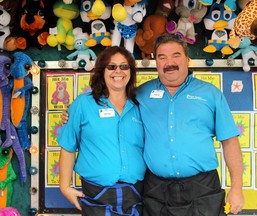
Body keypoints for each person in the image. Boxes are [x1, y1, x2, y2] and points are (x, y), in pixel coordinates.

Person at [62, 34, 245, 215]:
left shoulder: (210, 94)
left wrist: (237, 188)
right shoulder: (141, 94)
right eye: (162, 57)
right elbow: (107, 107)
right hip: (157, 191)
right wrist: (71, 115)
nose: (169, 62)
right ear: (155, 61)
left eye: (176, 55)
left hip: (202, 188)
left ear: (187, 59)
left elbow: (230, 142)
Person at [57, 46, 146, 216]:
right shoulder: (83, 104)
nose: (118, 71)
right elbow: (68, 146)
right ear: (102, 71)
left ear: (131, 71)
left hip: (135, 195)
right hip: (95, 195)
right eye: (111, 66)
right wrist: (64, 187)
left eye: (124, 66)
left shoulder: (141, 105)